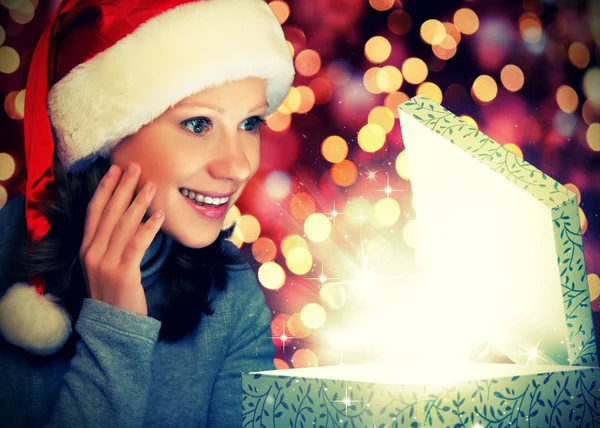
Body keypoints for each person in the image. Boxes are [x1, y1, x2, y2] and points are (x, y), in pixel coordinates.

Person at [0, 0, 294, 426]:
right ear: (106, 132)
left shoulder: (232, 295)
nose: (238, 166)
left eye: (250, 124)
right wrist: (115, 332)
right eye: (198, 124)